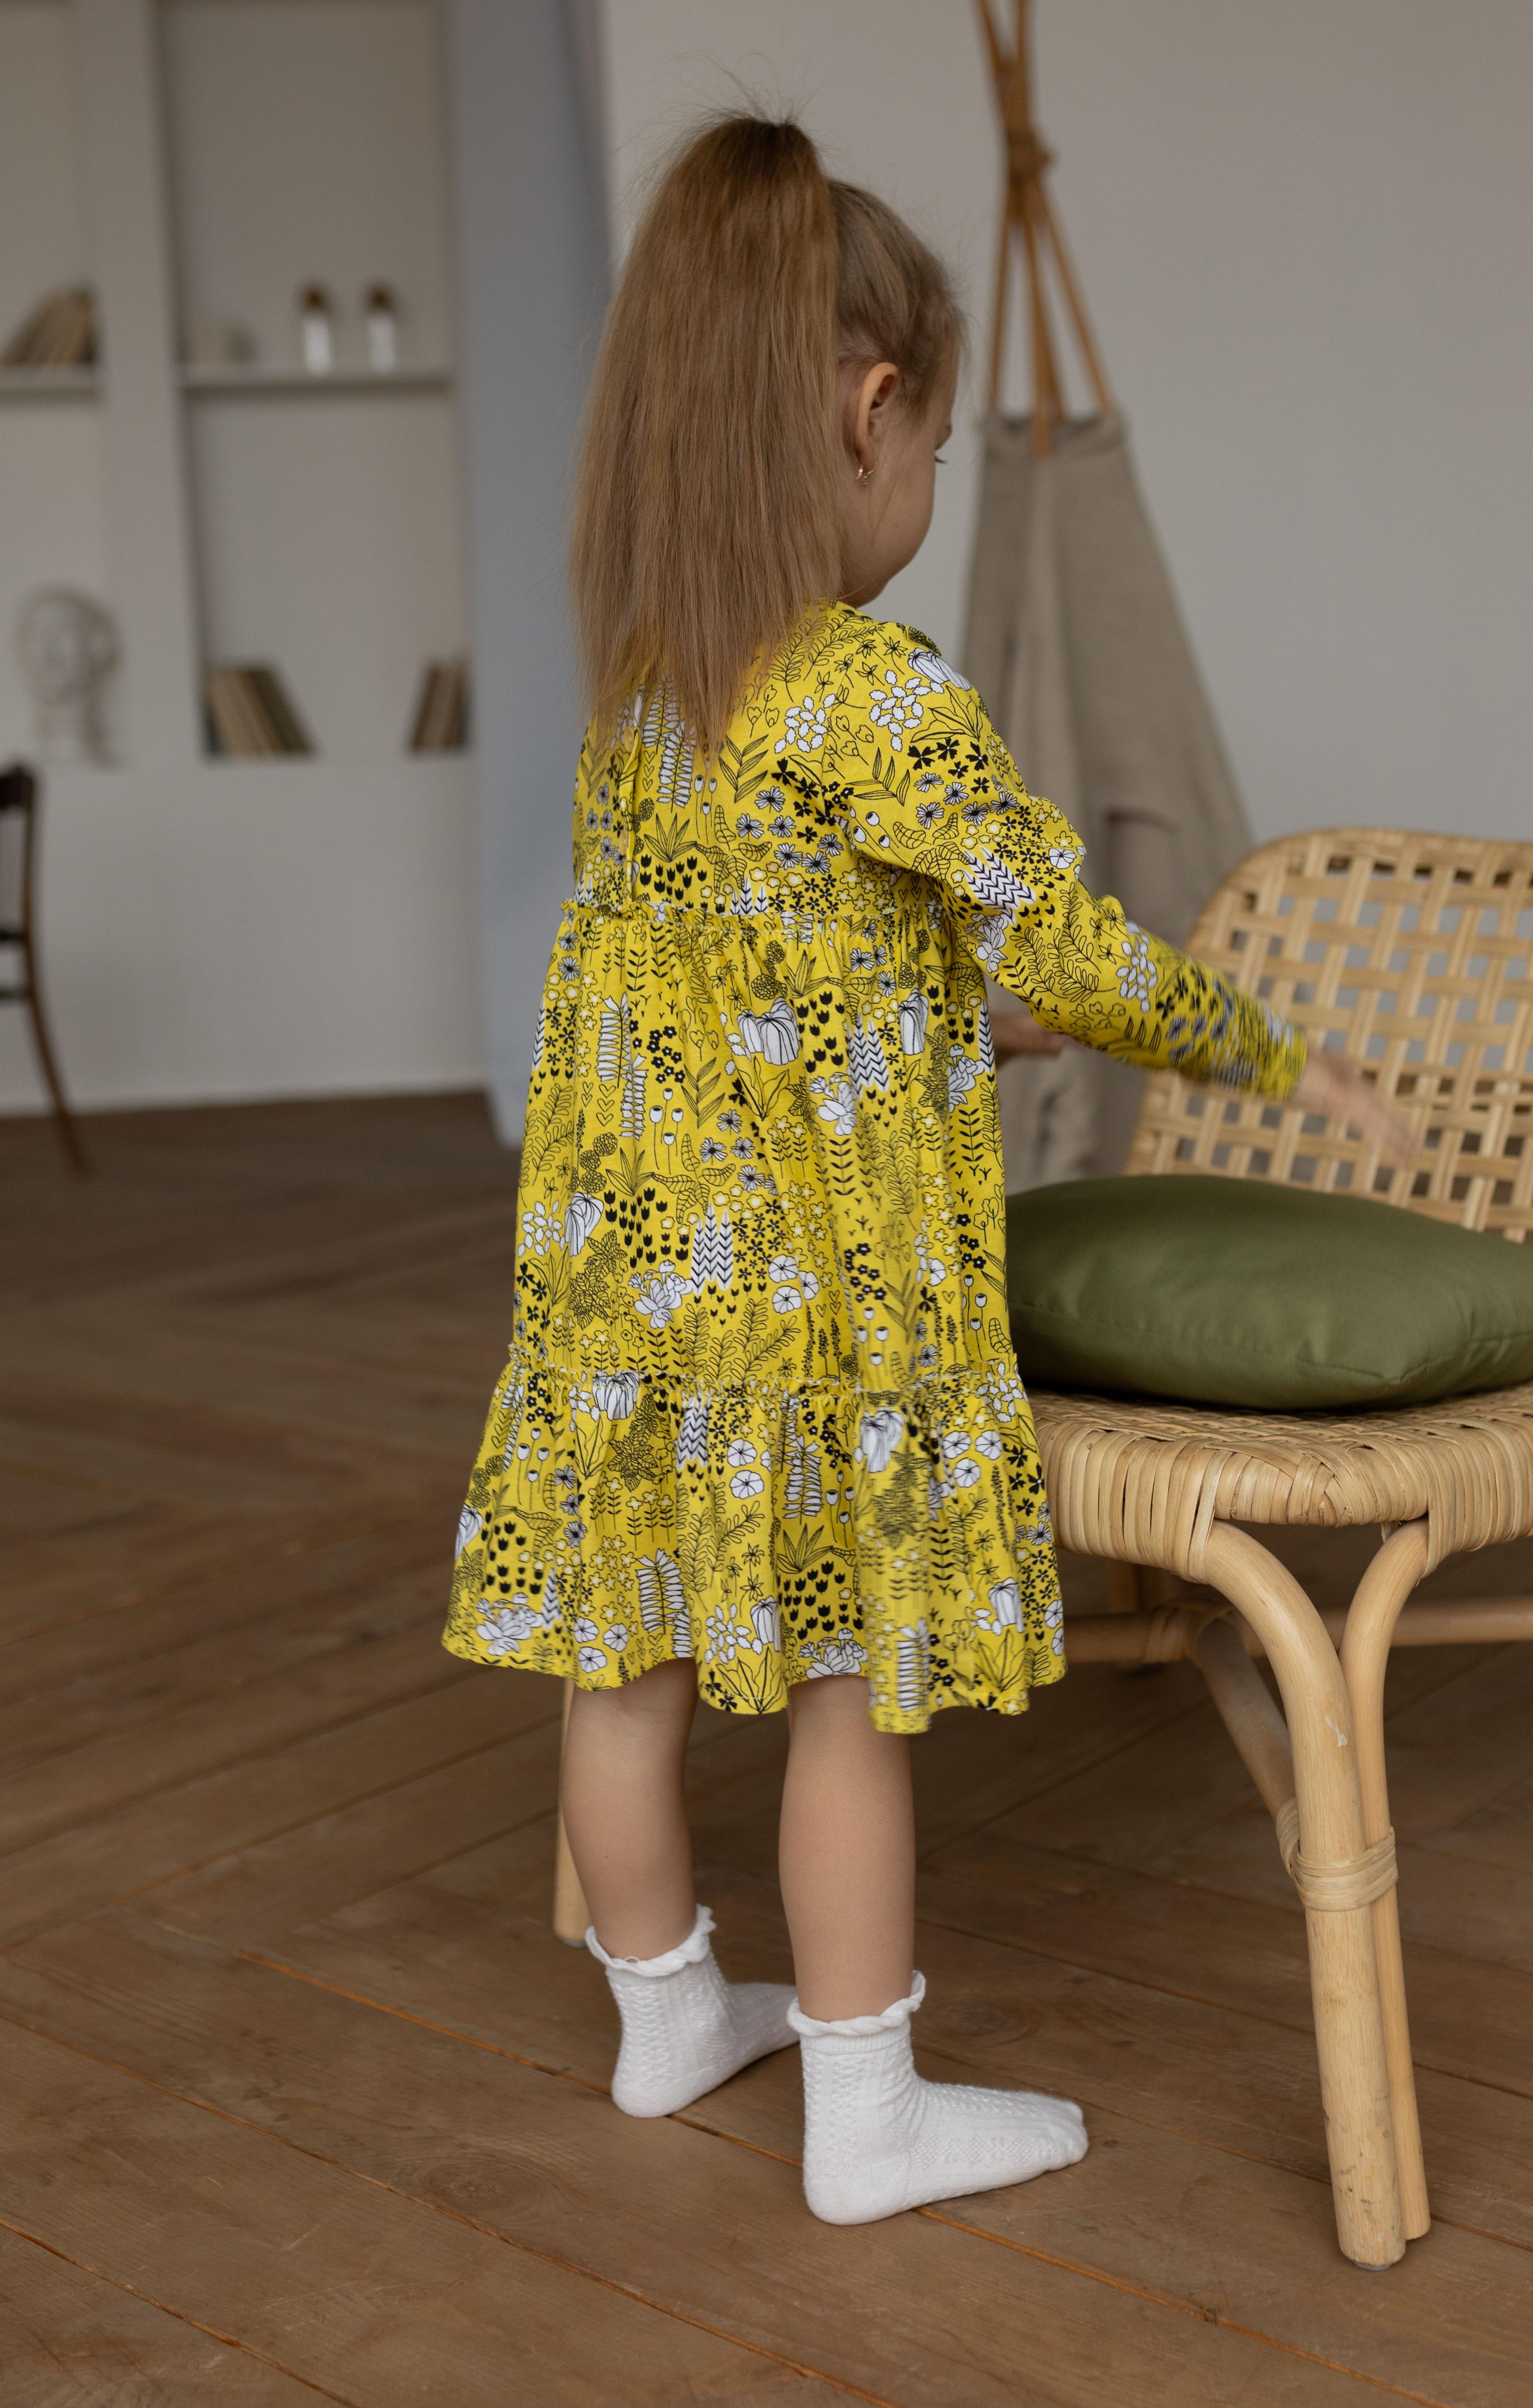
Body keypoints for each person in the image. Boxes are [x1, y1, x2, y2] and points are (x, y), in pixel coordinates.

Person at [443, 114, 1415, 2225]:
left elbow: (740, 991)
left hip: (623, 1306)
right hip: (810, 1319)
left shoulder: (642, 710)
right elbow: (1072, 948)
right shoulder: (880, 696)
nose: (928, 484)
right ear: (868, 411)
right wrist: (1273, 1051)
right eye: (942, 447)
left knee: (618, 1670)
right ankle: (866, 2110)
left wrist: (950, 1021)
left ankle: (663, 2017)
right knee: (845, 1698)